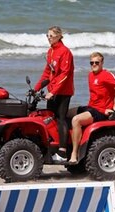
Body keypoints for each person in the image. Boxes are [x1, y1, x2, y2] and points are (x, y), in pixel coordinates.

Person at [67, 52, 115, 164]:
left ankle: (74, 153)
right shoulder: (90, 75)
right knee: (64, 114)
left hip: (101, 111)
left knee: (76, 120)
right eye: (92, 63)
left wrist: (113, 109)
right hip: (91, 108)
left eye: (96, 62)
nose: (94, 64)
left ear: (102, 63)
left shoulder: (107, 75)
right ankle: (64, 148)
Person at [35, 26, 74, 162]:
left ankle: (63, 152)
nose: (49, 38)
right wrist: (36, 88)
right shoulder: (50, 51)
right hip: (52, 91)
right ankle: (52, 147)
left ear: (58, 36)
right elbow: (48, 73)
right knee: (50, 118)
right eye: (47, 36)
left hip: (63, 91)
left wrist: (53, 92)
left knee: (60, 118)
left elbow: (64, 74)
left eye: (51, 36)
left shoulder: (65, 52)